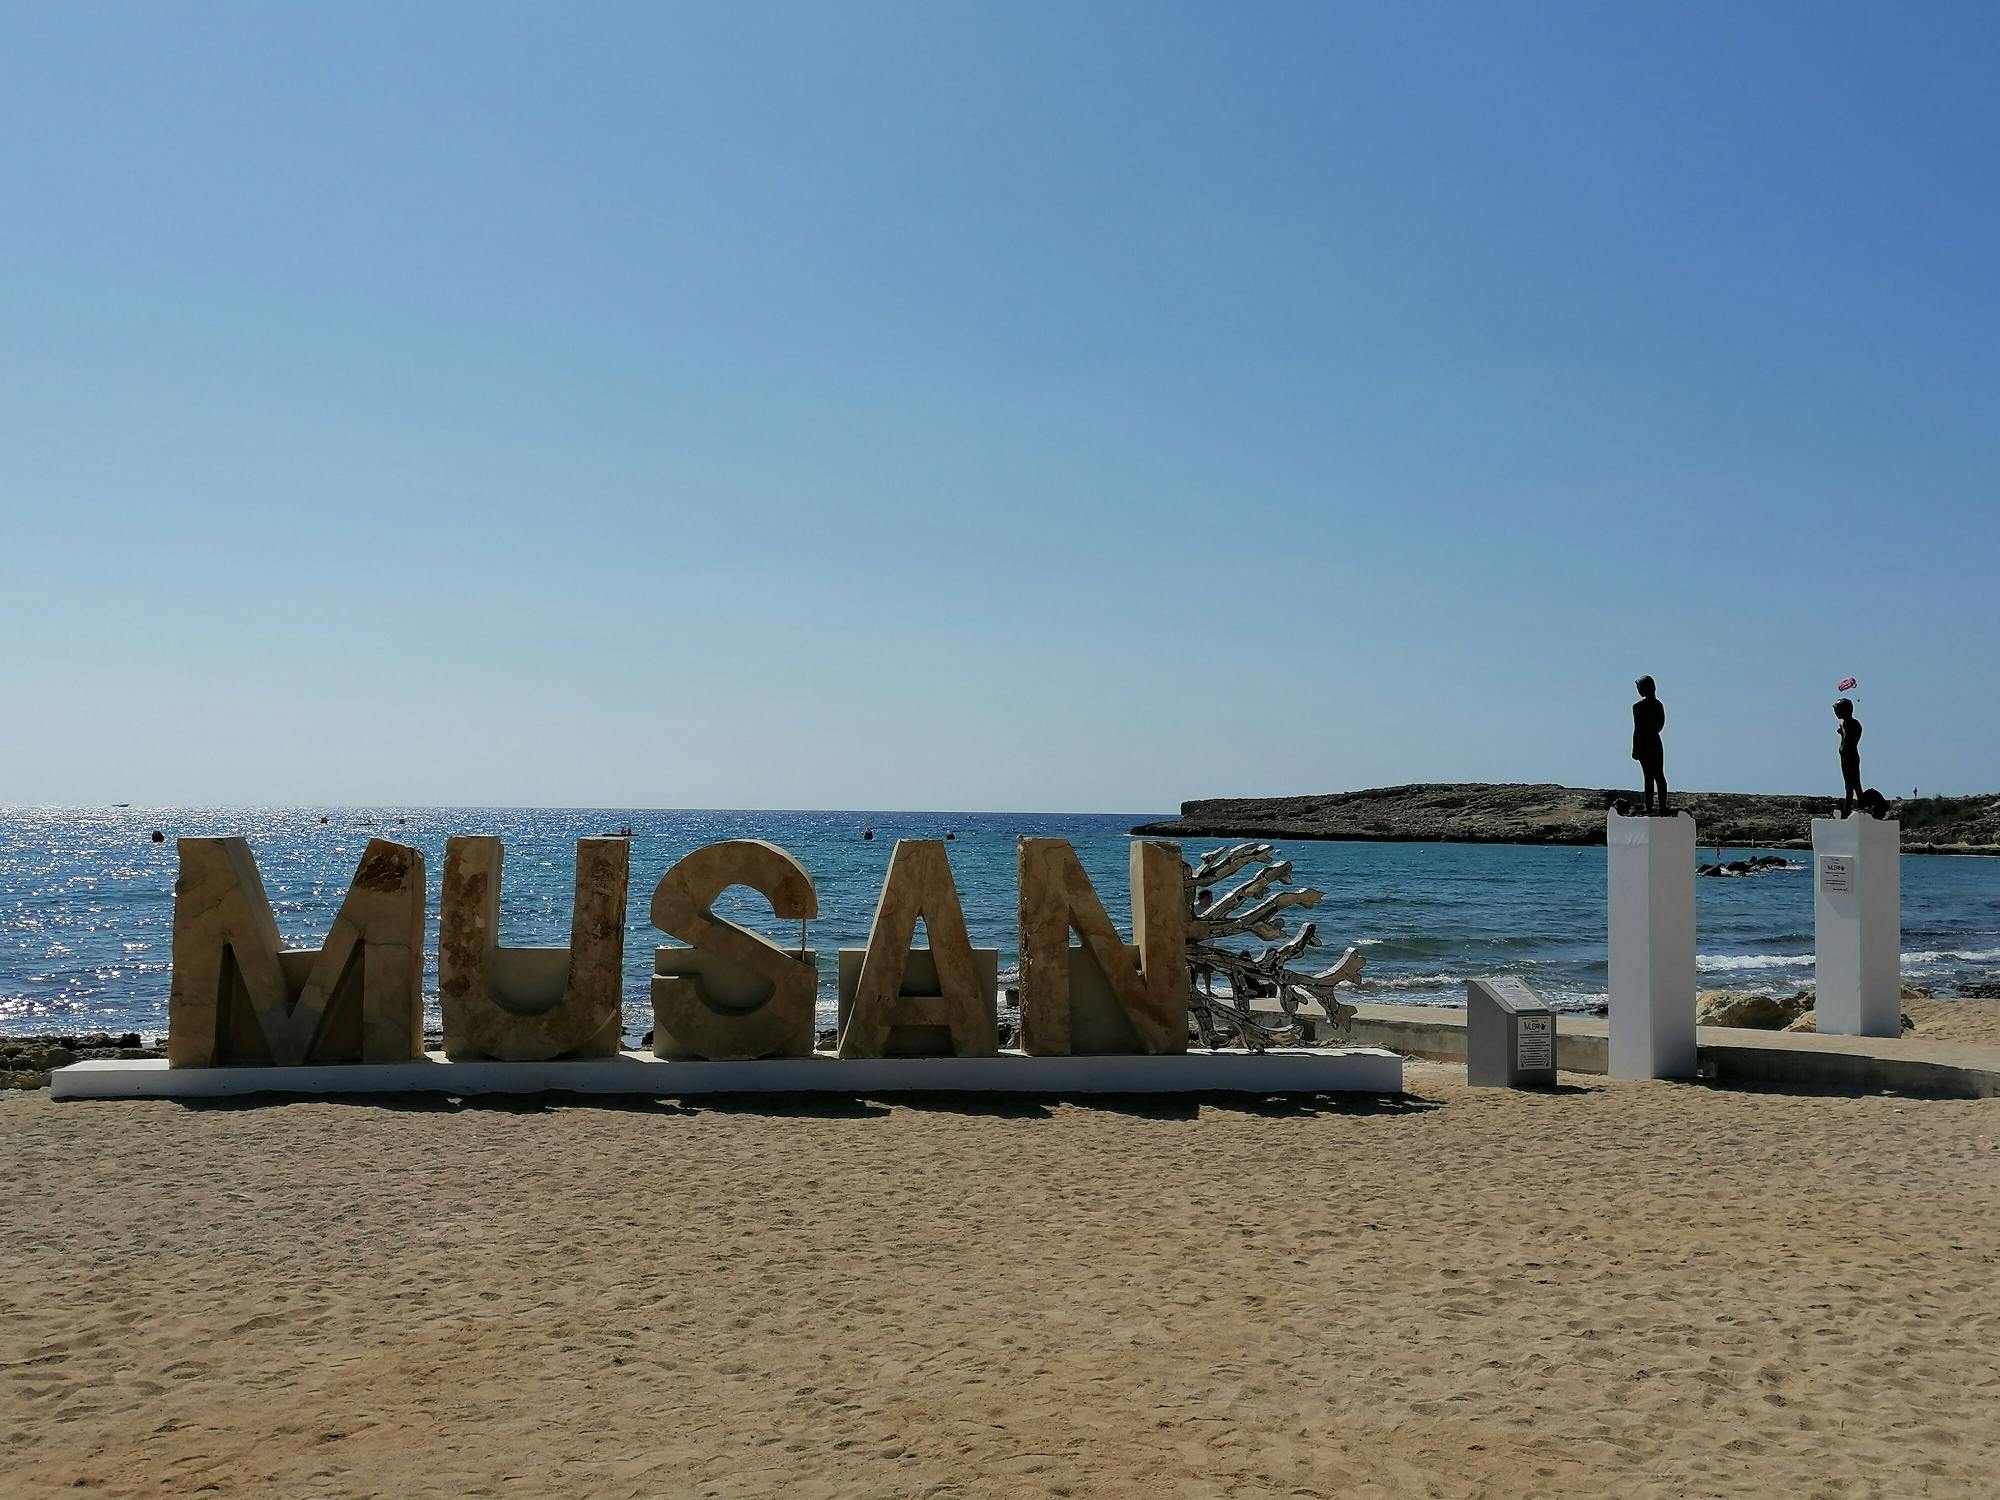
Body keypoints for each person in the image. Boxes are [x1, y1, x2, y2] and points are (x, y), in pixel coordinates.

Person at [1631, 676, 1668, 815]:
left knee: (1650, 776)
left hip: (1645, 743)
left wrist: (1635, 747)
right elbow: (1660, 725)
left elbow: (1638, 728)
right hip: (1654, 742)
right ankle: (1660, 807)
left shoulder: (1638, 707)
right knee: (1658, 775)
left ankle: (1651, 807)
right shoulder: (1658, 705)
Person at [1835, 698, 1864, 816]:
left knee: (1852, 784)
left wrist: (1842, 732)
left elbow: (1847, 743)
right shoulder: (1853, 724)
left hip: (1849, 757)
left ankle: (1848, 810)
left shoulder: (1849, 724)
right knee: (1853, 784)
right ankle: (1854, 807)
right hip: (1849, 756)